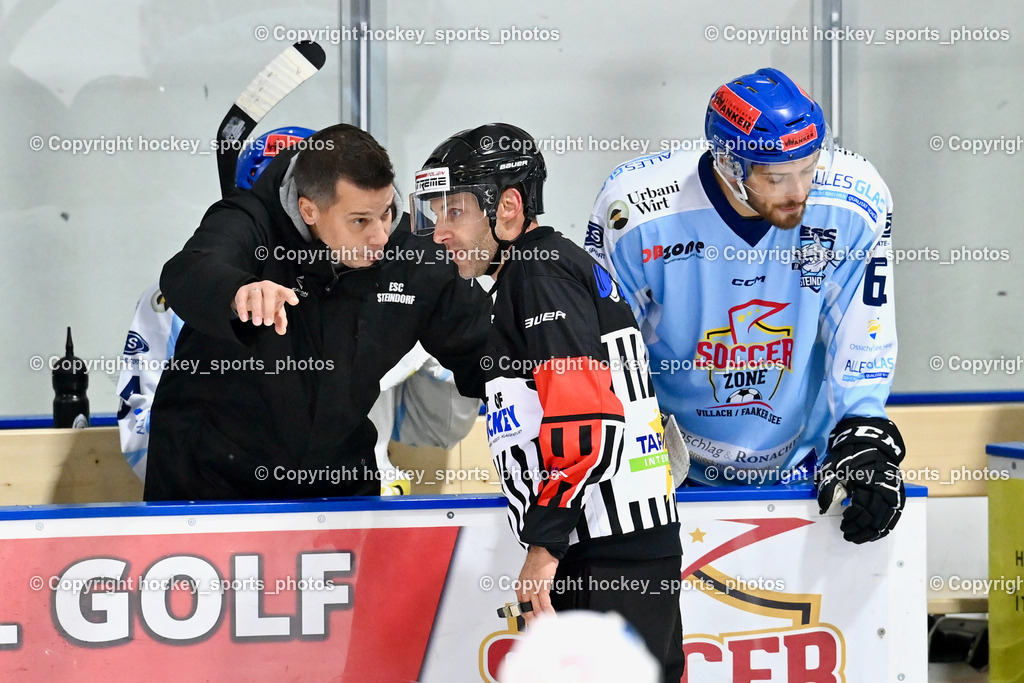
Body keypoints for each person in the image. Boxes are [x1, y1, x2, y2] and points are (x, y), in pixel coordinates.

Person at [411, 123, 684, 681]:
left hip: (604, 547)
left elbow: (585, 419)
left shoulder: (537, 272)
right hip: (615, 542)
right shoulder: (541, 271)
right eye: (433, 213)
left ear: (508, 206)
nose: (439, 231)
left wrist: (544, 545)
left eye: (453, 212)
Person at [588, 67, 905, 544]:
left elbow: (860, 327)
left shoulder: (854, 200)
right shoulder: (635, 212)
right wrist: (628, 454)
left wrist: (862, 428)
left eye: (809, 166)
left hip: (802, 464)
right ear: (729, 165)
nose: (799, 190)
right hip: (670, 467)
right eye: (777, 177)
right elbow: (604, 349)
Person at [116, 127, 480, 493]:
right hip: (210, 486)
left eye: (386, 212)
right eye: (360, 221)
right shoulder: (249, 219)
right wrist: (237, 291)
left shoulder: (413, 250)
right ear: (309, 210)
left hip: (336, 484)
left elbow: (484, 347)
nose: (381, 236)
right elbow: (189, 271)